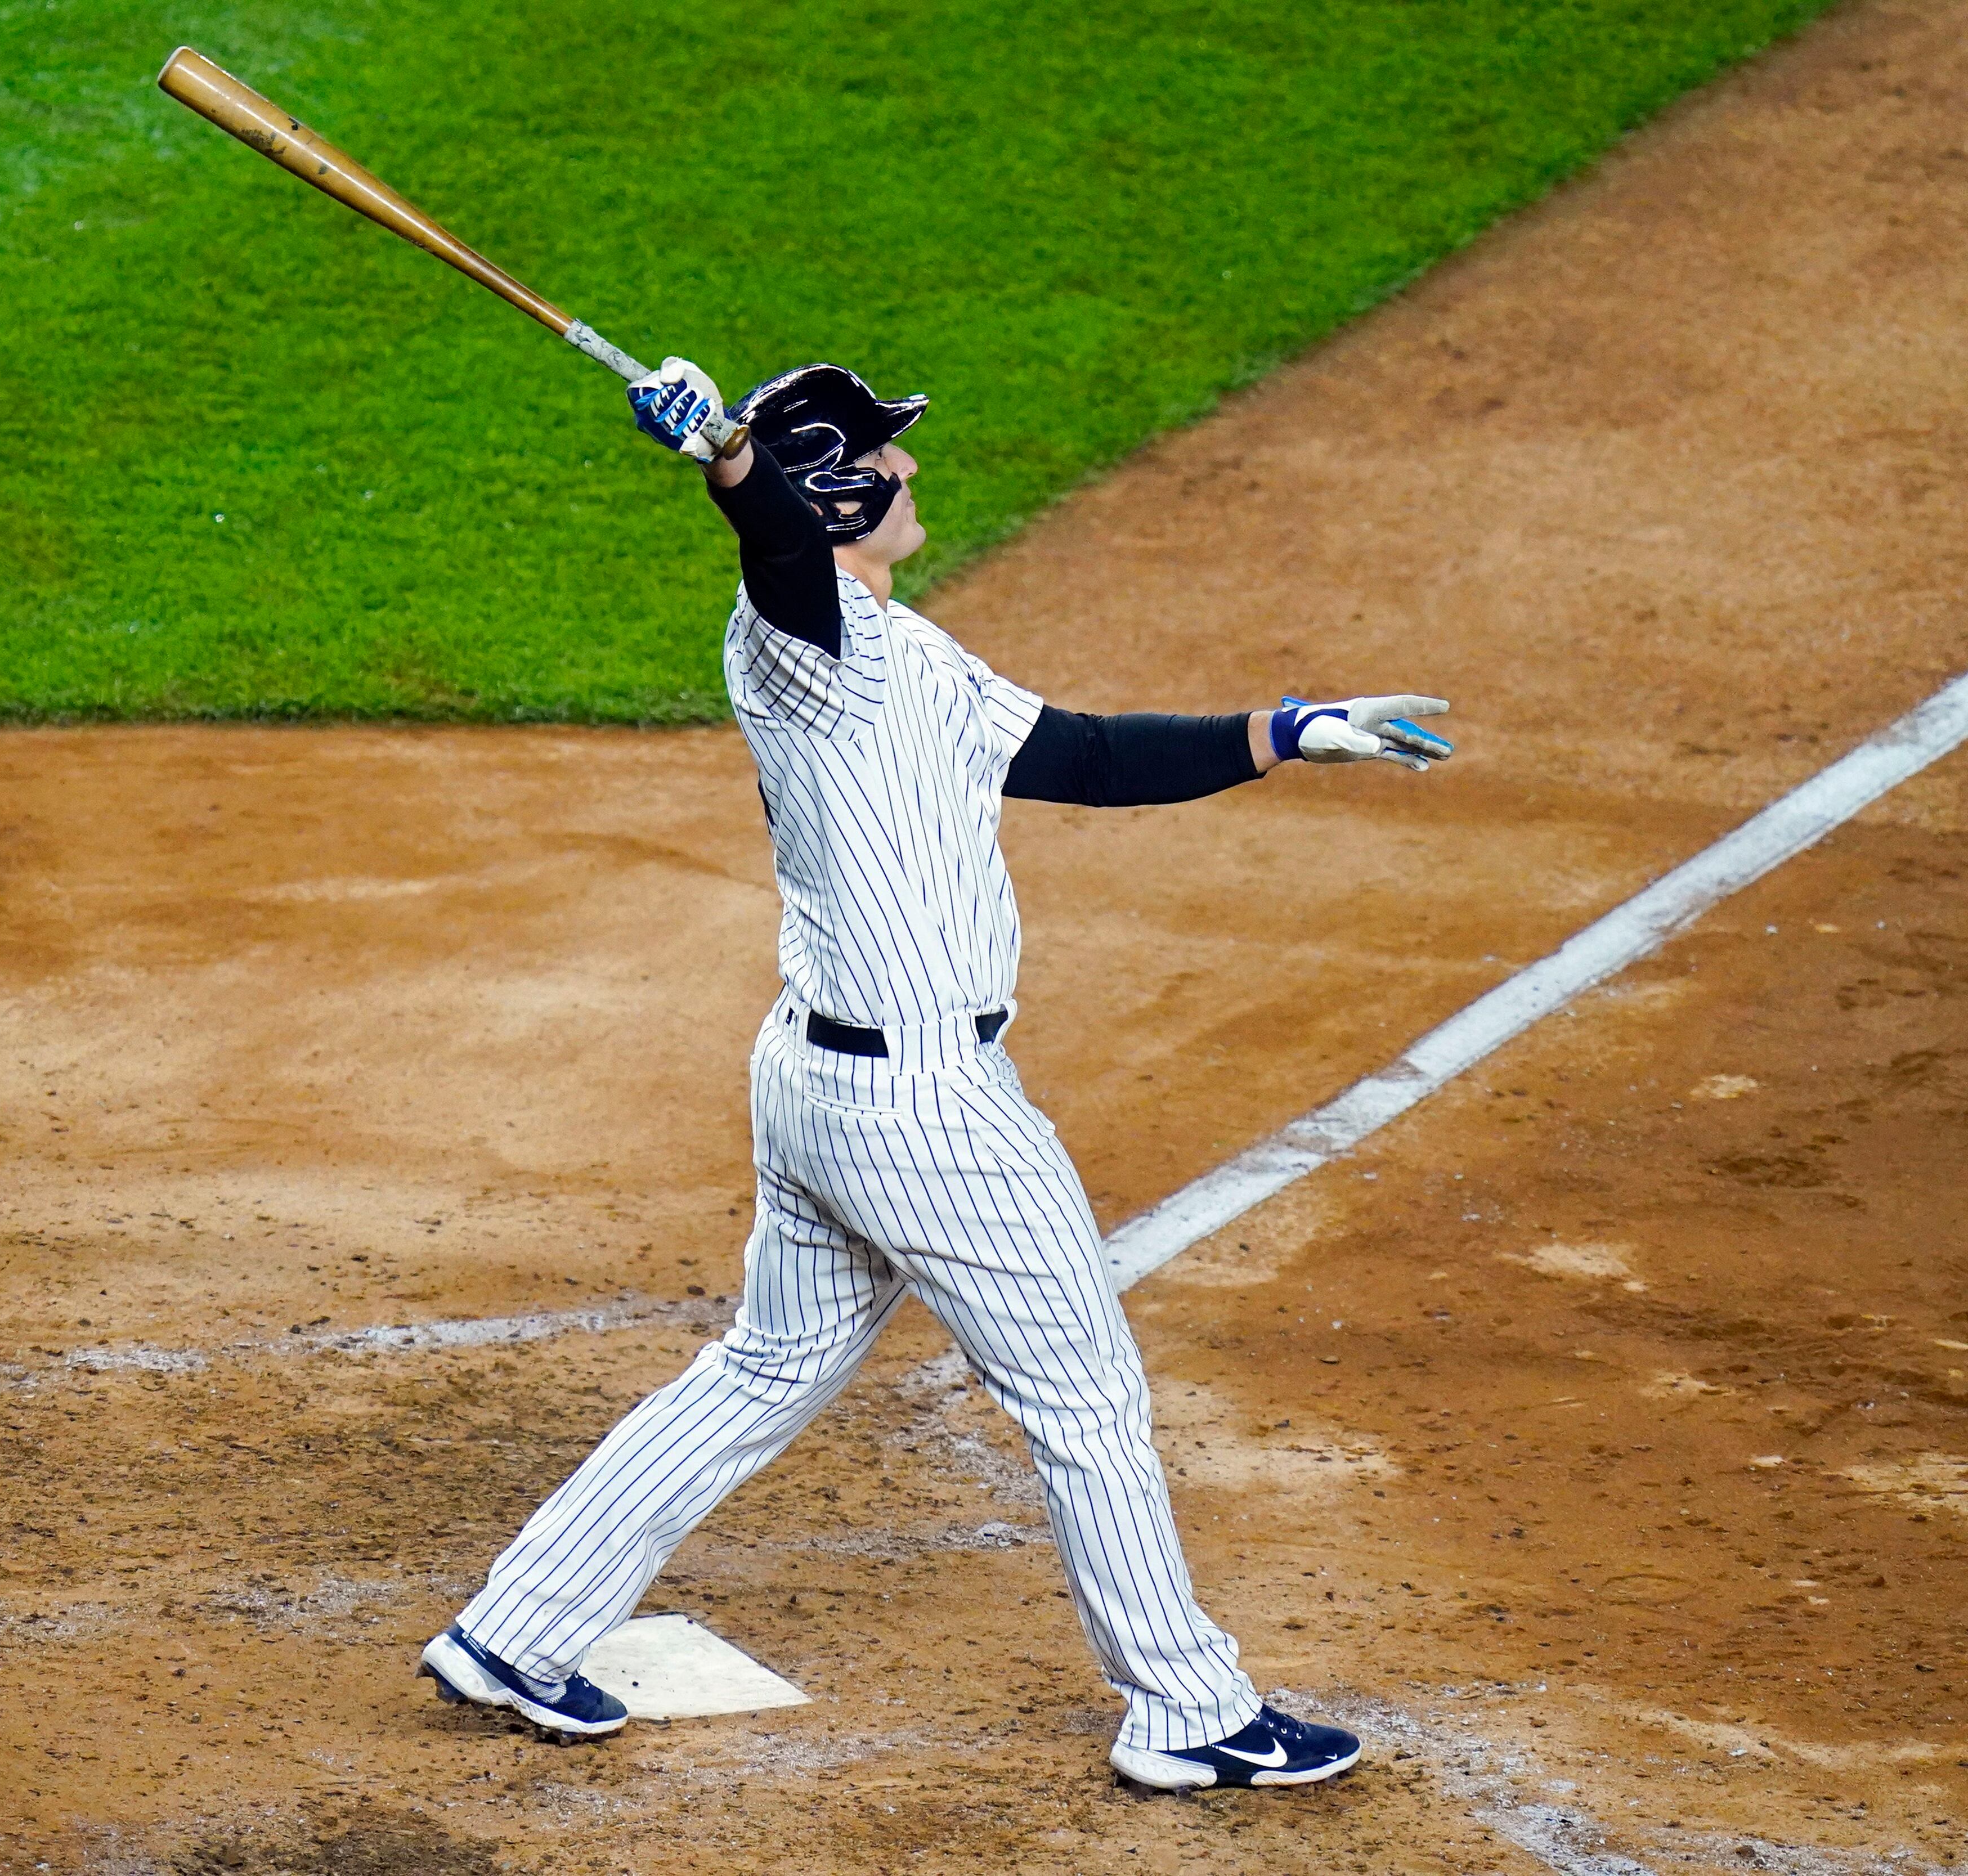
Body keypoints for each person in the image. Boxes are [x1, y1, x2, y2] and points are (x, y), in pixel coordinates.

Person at [419, 361, 1454, 1792]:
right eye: (885, 462)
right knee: (1085, 1400)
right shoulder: (810, 637)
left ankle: (516, 1628)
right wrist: (724, 455)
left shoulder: (909, 650)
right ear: (839, 489)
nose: (913, 474)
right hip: (922, 1112)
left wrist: (1287, 731)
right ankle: (1186, 1707)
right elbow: (775, 546)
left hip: (822, 1082)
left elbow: (1084, 755)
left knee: (766, 1368)